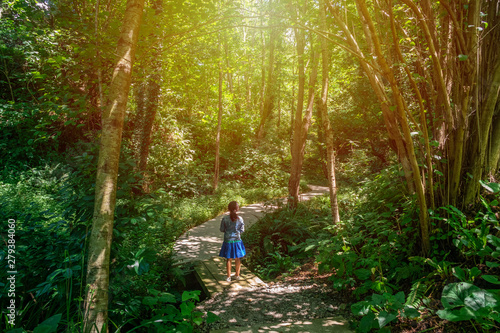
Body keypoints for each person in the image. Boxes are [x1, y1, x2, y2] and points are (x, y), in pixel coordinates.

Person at [219, 201, 246, 282]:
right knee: (238, 258)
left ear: (229, 208)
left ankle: (228, 277)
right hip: (237, 240)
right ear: (237, 208)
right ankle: (237, 275)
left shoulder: (225, 219)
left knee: (229, 259)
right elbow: (242, 230)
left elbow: (222, 229)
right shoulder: (240, 219)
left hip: (228, 241)